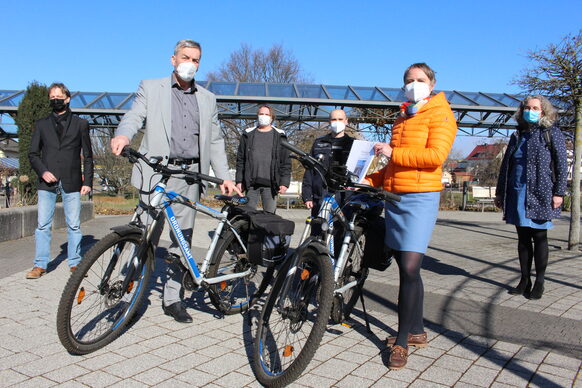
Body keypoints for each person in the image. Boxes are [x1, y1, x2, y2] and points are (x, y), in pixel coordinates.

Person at [110, 39, 239, 323]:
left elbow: (215, 141)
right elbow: (134, 116)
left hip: (189, 175)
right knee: (143, 232)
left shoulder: (207, 98)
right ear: (172, 59)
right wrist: (123, 135)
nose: (189, 64)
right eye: (185, 57)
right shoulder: (151, 87)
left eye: (195, 60)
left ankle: (173, 298)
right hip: (155, 172)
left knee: (182, 239)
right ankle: (129, 290)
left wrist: (225, 177)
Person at [364, 63, 457, 370]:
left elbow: (435, 157)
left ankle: (401, 341)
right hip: (395, 197)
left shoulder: (442, 114)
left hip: (420, 198)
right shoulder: (402, 116)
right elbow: (391, 166)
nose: (413, 84)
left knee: (409, 265)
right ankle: (416, 330)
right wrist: (369, 181)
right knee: (408, 270)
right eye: (408, 80)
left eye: (419, 80)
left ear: (432, 84)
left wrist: (393, 154)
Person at [495, 95, 567, 300]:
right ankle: (524, 279)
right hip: (517, 192)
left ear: (543, 111)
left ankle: (540, 282)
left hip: (541, 192)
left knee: (540, 236)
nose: (530, 111)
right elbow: (505, 167)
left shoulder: (551, 133)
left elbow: (561, 165)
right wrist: (500, 192)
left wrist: (559, 192)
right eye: (527, 107)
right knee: (523, 238)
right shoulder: (517, 135)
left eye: (535, 107)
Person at [27, 83, 94, 279]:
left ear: (67, 99)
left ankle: (75, 263)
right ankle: (40, 265)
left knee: (73, 224)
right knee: (42, 225)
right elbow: (33, 153)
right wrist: (43, 171)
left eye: (58, 96)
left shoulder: (81, 124)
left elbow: (88, 156)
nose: (55, 100)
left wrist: (87, 181)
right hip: (46, 181)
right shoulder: (41, 124)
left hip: (72, 180)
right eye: (52, 97)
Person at [235, 105, 291, 213]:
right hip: (251, 185)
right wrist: (239, 181)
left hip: (271, 186)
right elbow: (240, 160)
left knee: (270, 217)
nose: (263, 116)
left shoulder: (280, 136)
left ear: (272, 118)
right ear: (257, 116)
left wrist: (284, 182)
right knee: (248, 216)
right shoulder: (248, 134)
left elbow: (286, 162)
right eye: (261, 114)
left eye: (267, 114)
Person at [302, 109, 355, 215]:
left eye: (340, 119)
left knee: (341, 229)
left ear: (346, 121)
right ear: (329, 121)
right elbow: (310, 170)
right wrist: (307, 196)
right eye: (334, 119)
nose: (337, 122)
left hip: (345, 196)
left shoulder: (354, 144)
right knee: (319, 229)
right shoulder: (318, 143)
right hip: (321, 194)